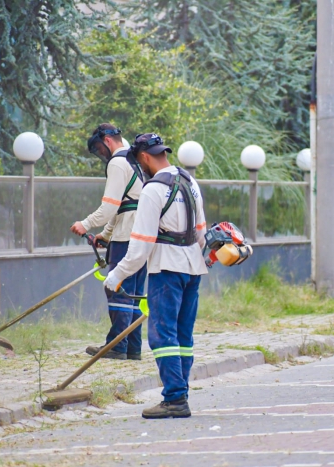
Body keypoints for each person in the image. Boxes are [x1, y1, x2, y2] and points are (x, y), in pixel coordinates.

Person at [103, 133, 208, 419]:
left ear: (144, 158)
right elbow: (201, 232)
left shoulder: (152, 189)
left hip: (167, 268)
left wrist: (116, 275)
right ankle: (180, 393)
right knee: (183, 335)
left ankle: (174, 398)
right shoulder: (190, 181)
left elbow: (141, 245)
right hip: (193, 269)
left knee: (163, 336)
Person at [70, 123, 147, 360]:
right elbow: (126, 205)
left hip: (127, 237)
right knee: (133, 293)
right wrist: (106, 234)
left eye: (98, 149)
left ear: (107, 139)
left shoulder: (117, 162)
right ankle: (132, 347)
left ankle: (116, 346)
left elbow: (110, 206)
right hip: (143, 235)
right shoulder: (136, 160)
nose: (100, 155)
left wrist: (85, 224)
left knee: (117, 289)